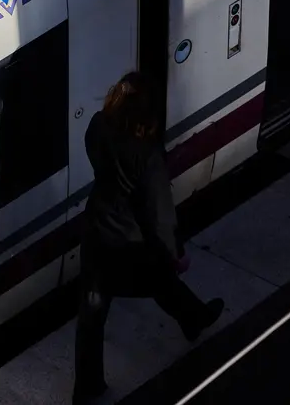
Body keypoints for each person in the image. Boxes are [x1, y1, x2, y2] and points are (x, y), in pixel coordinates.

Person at [73, 71, 224, 404]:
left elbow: (94, 157)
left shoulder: (98, 126)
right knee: (160, 280)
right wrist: (175, 250)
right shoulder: (148, 155)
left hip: (98, 236)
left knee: (92, 316)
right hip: (132, 243)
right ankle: (194, 319)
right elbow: (159, 213)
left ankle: (87, 387)